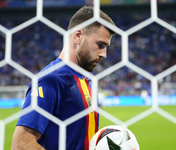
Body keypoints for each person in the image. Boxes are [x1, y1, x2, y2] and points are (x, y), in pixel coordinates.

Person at [11, 5, 116, 150]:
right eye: (100, 45)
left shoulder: (89, 81)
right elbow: (21, 145)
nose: (104, 54)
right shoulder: (51, 79)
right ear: (78, 35)